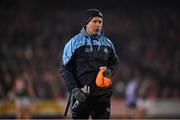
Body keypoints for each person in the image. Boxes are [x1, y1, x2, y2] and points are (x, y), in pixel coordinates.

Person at [60, 8, 119, 119]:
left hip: (102, 97)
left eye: (100, 22)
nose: (98, 25)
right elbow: (65, 70)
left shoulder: (108, 44)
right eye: (94, 21)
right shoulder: (73, 43)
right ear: (87, 22)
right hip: (81, 96)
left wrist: (109, 71)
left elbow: (115, 64)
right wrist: (74, 90)